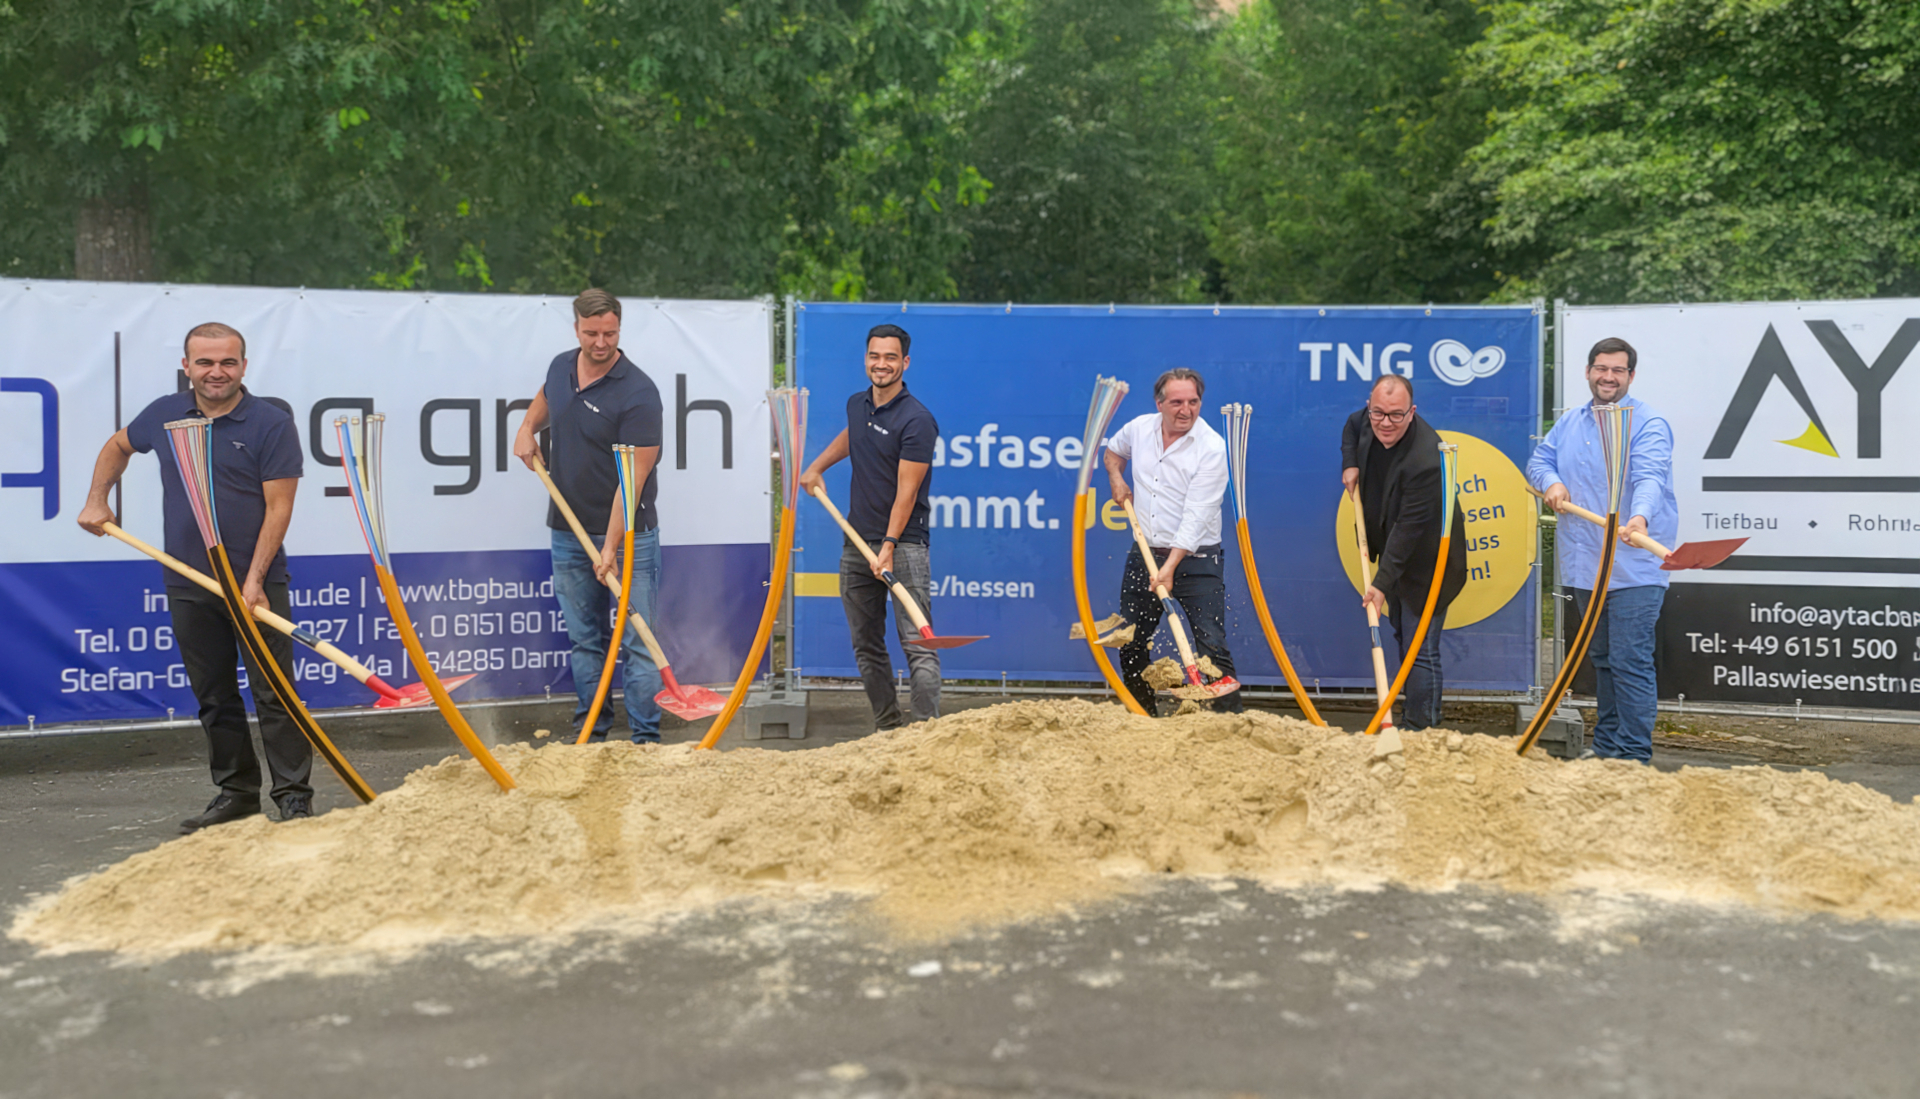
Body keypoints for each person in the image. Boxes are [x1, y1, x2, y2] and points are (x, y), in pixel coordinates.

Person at [76, 323, 313, 832]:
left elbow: (280, 507)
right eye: (204, 362)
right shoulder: (166, 414)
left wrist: (253, 581)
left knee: (275, 693)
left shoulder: (270, 424)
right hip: (188, 580)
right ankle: (236, 794)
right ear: (187, 366)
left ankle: (293, 798)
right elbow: (118, 446)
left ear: (244, 366)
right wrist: (98, 499)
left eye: (227, 362)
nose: (216, 372)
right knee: (214, 694)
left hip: (256, 583)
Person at [513, 289, 665, 742]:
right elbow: (547, 399)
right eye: (591, 333)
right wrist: (526, 428)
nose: (601, 342)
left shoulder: (639, 393)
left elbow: (631, 480)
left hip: (629, 537)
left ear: (620, 328)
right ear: (576, 328)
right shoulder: (561, 365)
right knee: (585, 641)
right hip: (567, 531)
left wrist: (611, 546)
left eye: (610, 333)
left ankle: (644, 741)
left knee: (638, 642)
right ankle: (591, 735)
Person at [1527, 337, 1676, 762]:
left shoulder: (1648, 423)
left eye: (1618, 370)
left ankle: (1632, 757)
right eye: (1601, 368)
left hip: (1635, 567)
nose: (1608, 377)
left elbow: (1650, 476)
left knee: (1629, 661)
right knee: (1605, 660)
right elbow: (1540, 462)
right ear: (1589, 371)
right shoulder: (1572, 423)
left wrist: (1640, 517)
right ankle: (1608, 748)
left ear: (1631, 375)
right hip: (1586, 567)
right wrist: (1551, 484)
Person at [797, 323, 942, 730]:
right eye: (875, 356)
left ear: (904, 363)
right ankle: (889, 728)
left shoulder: (917, 421)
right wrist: (816, 467)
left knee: (919, 646)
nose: (881, 364)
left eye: (890, 357)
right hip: (856, 544)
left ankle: (926, 734)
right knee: (866, 646)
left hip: (904, 547)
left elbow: (907, 492)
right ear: (866, 360)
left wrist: (890, 545)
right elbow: (853, 435)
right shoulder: (857, 404)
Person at [1104, 367, 1242, 716]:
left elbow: (1196, 518)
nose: (1186, 410)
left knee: (1211, 647)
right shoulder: (1138, 429)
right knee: (1131, 640)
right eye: (1177, 402)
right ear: (1160, 403)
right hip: (1145, 553)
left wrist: (1168, 568)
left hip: (1197, 560)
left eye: (1194, 402)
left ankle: (1229, 726)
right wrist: (1116, 476)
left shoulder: (1211, 448)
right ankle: (1143, 717)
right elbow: (1112, 452)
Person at [1339, 374, 1468, 731]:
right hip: (1393, 555)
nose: (1385, 423)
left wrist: (1379, 585)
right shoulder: (1366, 420)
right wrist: (1350, 464)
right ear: (1370, 406)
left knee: (1420, 651)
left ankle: (1422, 732)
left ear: (1412, 412)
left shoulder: (1427, 458)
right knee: (1403, 638)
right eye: (1378, 413)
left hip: (1429, 563)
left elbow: (1407, 534)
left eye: (1396, 415)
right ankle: (1415, 721)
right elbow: (1351, 429)